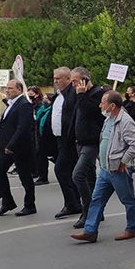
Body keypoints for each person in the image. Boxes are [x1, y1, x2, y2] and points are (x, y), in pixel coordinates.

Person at [71, 91, 135, 243]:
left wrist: (124, 161)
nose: (100, 105)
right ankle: (90, 231)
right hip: (105, 169)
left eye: (102, 103)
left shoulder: (125, 121)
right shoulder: (108, 119)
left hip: (118, 170)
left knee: (128, 200)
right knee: (97, 200)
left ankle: (132, 228)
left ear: (112, 105)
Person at [0, 79, 36, 216]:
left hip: (19, 147)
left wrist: (12, 144)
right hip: (6, 147)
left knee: (25, 177)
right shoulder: (11, 104)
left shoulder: (24, 105)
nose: (7, 90)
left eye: (10, 88)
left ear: (20, 90)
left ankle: (30, 205)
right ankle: (8, 201)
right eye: (7, 88)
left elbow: (22, 128)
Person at [69, 68, 106, 228]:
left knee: (78, 175)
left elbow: (90, 112)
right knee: (90, 177)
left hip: (92, 142)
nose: (73, 84)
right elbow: (77, 115)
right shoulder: (79, 95)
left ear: (84, 80)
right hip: (80, 141)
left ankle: (88, 211)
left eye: (75, 81)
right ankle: (97, 211)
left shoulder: (97, 94)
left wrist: (82, 94)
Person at [48, 67, 84, 219]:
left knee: (61, 169)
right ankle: (75, 201)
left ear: (68, 79)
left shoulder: (73, 94)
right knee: (69, 172)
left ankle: (73, 203)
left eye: (58, 78)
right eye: (54, 78)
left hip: (69, 140)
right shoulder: (59, 95)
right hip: (58, 139)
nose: (55, 81)